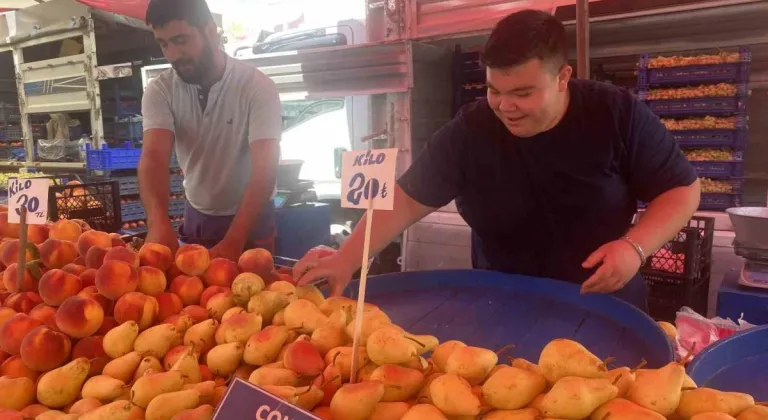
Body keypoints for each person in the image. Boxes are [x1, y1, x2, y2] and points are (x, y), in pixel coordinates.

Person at [294, 9, 701, 312]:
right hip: (502, 302)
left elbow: (682, 190)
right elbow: (406, 200)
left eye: (523, 93)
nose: (506, 106)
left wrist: (634, 247)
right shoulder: (471, 130)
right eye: (494, 90)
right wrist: (347, 257)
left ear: (563, 77)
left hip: (602, 300)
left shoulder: (616, 115)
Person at [139, 0, 282, 261]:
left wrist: (235, 240)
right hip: (198, 214)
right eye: (163, 43)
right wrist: (157, 222)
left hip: (252, 217)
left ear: (210, 30)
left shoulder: (257, 87)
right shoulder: (160, 90)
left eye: (181, 40)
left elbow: (265, 169)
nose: (172, 54)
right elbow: (153, 158)